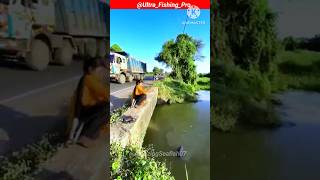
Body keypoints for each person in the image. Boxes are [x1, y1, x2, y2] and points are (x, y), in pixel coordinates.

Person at [67, 58, 108, 147]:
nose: (100, 74)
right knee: (107, 108)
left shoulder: (85, 78)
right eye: (99, 71)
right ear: (90, 69)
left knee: (103, 106)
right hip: (82, 114)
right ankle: (86, 136)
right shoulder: (89, 79)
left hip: (80, 113)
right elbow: (104, 93)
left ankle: (87, 133)